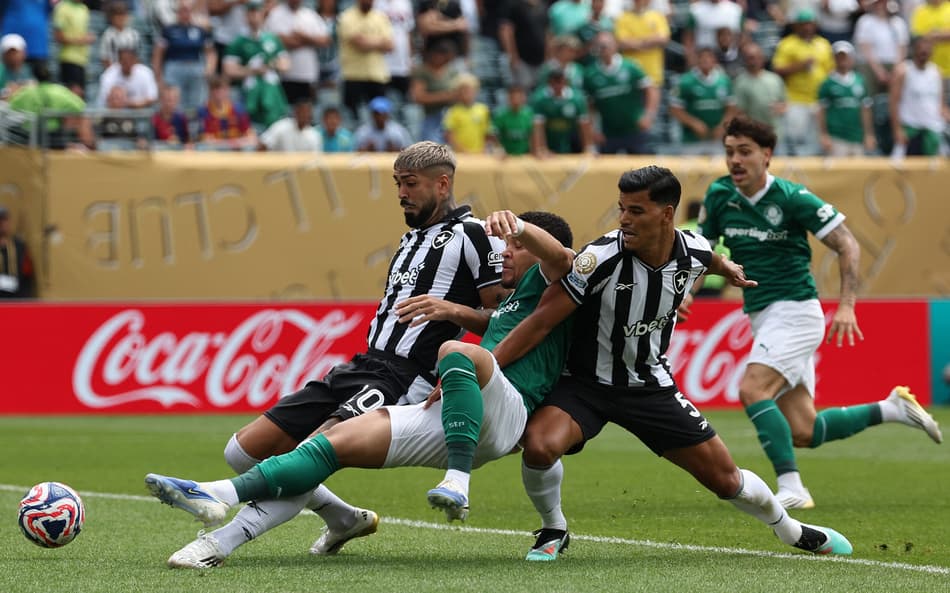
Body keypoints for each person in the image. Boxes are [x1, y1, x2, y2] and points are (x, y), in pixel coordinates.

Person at [144, 141, 508, 568]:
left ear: (442, 184)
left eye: (410, 184)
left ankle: (218, 543)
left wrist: (453, 312)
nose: (401, 193)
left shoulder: (474, 235)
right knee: (242, 450)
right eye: (397, 183)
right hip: (364, 363)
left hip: (405, 375)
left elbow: (503, 317)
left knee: (310, 454)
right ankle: (343, 517)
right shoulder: (411, 239)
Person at [486, 165, 853, 562]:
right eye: (622, 209)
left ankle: (792, 530)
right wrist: (486, 368)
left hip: (650, 386)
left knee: (727, 480)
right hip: (585, 384)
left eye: (636, 211)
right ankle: (553, 528)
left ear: (666, 214)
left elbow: (707, 257)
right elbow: (539, 323)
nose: (624, 220)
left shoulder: (692, 248)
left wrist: (727, 268)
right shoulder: (599, 259)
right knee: (539, 446)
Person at [692, 115, 942, 510]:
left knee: (753, 389)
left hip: (796, 312)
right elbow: (702, 254)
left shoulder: (792, 197)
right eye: (729, 152)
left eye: (745, 152)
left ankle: (792, 487)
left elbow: (847, 244)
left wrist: (846, 305)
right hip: (762, 316)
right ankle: (891, 408)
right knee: (804, 431)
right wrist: (686, 295)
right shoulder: (720, 195)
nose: (735, 160)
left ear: (767, 155)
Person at [583, 30, 658, 155]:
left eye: (607, 45)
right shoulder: (590, 74)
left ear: (615, 45)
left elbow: (651, 90)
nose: (604, 49)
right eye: (600, 46)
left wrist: (648, 115)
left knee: (643, 165)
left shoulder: (631, 67)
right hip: (608, 133)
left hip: (635, 129)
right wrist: (593, 129)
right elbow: (589, 106)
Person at [771, 9, 834, 156]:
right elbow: (778, 69)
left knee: (816, 141)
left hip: (818, 100)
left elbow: (830, 71)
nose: (807, 27)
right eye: (804, 24)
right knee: (796, 140)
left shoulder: (823, 44)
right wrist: (800, 65)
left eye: (810, 24)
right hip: (795, 99)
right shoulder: (787, 44)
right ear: (796, 26)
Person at [223, 0, 291, 128]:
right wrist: (252, 70)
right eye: (251, 13)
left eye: (257, 12)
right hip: (248, 91)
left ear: (263, 13)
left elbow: (286, 64)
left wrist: (270, 65)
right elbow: (229, 69)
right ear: (246, 15)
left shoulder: (272, 39)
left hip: (270, 90)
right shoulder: (238, 42)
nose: (254, 16)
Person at [669, 46, 736, 156]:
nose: (706, 60)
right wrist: (694, 123)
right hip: (691, 140)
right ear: (697, 60)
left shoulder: (724, 81)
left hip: (717, 139)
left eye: (709, 57)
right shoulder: (685, 81)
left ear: (715, 60)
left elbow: (731, 109)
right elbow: (675, 109)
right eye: (702, 57)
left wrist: (722, 126)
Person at [889, 36, 949, 158]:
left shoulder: (936, 72)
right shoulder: (903, 71)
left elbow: (941, 104)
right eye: (921, 49)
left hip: (933, 129)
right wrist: (897, 129)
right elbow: (893, 103)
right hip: (910, 129)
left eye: (927, 49)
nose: (924, 52)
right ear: (914, 50)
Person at [263, 0, 331, 105]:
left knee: (306, 108)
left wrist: (304, 37)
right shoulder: (275, 14)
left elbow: (326, 40)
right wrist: (307, 42)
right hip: (283, 76)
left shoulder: (310, 15)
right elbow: (273, 40)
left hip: (307, 75)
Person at [153, 0, 216, 111]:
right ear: (177, 12)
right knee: (174, 101)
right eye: (182, 11)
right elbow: (158, 53)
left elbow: (210, 52)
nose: (185, 14)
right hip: (174, 66)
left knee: (197, 102)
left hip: (195, 66)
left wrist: (209, 69)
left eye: (187, 11)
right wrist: (158, 74)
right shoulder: (169, 30)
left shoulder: (199, 30)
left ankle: (195, 121)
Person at [817, 41, 876, 157]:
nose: (842, 60)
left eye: (845, 56)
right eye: (839, 57)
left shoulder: (860, 81)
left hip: (857, 136)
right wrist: (824, 135)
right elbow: (821, 111)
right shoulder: (827, 83)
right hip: (836, 137)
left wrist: (869, 134)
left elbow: (865, 109)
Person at [337, 0, 394, 120]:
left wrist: (367, 41)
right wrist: (380, 42)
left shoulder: (380, 17)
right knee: (352, 118)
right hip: (353, 76)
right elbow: (360, 44)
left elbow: (390, 45)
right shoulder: (347, 17)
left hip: (377, 75)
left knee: (380, 118)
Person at [733, 41, 787, 152]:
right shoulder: (740, 82)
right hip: (753, 137)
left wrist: (781, 108)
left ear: (762, 58)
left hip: (775, 135)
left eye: (756, 57)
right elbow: (738, 111)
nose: (753, 61)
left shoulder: (775, 79)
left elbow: (785, 103)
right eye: (749, 58)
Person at [530, 68, 595, 157]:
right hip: (549, 140)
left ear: (565, 82)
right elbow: (537, 127)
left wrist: (589, 147)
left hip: (571, 141)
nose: (558, 86)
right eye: (554, 83)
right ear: (549, 83)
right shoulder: (540, 99)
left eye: (560, 82)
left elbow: (584, 125)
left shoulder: (577, 99)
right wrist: (540, 149)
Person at [615, 0, 670, 89]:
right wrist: (650, 40)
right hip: (631, 78)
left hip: (653, 75)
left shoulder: (657, 16)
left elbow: (664, 39)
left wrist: (636, 42)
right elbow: (622, 43)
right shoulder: (623, 18)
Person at [196, 75, 257, 150]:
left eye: (224, 89)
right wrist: (226, 144)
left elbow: (252, 138)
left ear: (228, 90)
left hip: (235, 151)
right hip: (215, 152)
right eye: (216, 89)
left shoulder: (239, 110)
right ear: (210, 91)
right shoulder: (204, 112)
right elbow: (205, 140)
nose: (220, 93)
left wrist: (233, 143)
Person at [52, 0, 94, 97]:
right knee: (72, 96)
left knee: (81, 98)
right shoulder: (62, 7)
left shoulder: (84, 9)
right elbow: (58, 37)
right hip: (68, 59)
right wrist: (81, 40)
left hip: (83, 61)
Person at [442, 73, 491, 154]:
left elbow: (486, 133)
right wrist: (462, 150)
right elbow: (449, 135)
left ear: (476, 91)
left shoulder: (483, 109)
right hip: (460, 154)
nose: (466, 93)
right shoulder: (453, 111)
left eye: (469, 90)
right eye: (463, 90)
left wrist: (483, 149)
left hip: (479, 154)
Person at [258, 98, 323, 152]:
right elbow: (263, 145)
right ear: (295, 112)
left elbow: (314, 159)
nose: (305, 115)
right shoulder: (282, 125)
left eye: (307, 112)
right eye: (302, 111)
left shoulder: (314, 135)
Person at [0, 206, 36, 299]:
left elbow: (27, 277)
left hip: (16, 299)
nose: (2, 224)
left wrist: (25, 299)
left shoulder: (19, 246)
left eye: (4, 220)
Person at [490, 85, 535, 157]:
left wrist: (534, 151)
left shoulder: (529, 114)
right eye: (513, 97)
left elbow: (532, 135)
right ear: (509, 98)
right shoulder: (501, 115)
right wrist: (499, 148)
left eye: (519, 97)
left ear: (523, 98)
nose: (516, 100)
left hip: (524, 155)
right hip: (506, 156)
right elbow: (493, 134)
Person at [99, 1, 141, 70]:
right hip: (114, 71)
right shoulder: (108, 35)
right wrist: (114, 72)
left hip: (131, 71)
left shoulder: (134, 34)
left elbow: (137, 57)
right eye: (118, 16)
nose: (121, 19)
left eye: (123, 15)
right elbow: (105, 58)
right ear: (112, 18)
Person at [0, 34, 34, 100]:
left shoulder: (28, 70)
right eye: (9, 53)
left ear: (24, 53)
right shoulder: (1, 71)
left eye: (16, 52)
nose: (12, 56)